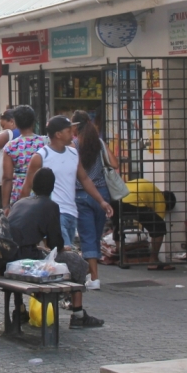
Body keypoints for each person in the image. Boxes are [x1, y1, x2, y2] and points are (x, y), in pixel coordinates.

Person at [9, 168, 104, 329]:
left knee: (55, 257)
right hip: (26, 256)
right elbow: (54, 243)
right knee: (76, 262)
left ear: (33, 185)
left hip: (9, 255)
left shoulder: (20, 202)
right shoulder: (50, 205)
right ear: (52, 187)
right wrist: (63, 248)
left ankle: (19, 309)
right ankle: (78, 315)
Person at [21, 115, 114, 250]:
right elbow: (27, 186)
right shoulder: (41, 157)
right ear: (58, 134)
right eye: (69, 131)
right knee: (65, 253)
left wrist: (101, 201)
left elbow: (85, 179)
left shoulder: (73, 153)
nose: (73, 133)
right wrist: (21, 212)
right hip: (55, 213)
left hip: (72, 212)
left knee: (62, 256)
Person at [72, 110, 117, 290]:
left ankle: (94, 277)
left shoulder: (74, 145)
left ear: (75, 127)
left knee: (87, 236)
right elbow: (114, 164)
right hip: (102, 194)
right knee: (96, 236)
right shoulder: (99, 143)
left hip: (81, 194)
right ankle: (93, 275)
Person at [111, 179, 175, 270]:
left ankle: (123, 260)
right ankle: (153, 261)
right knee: (159, 226)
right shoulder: (161, 199)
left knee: (117, 228)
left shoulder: (149, 186)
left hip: (115, 199)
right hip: (132, 200)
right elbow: (157, 221)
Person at [1, 105, 46, 209]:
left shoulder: (10, 146)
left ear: (15, 123)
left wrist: (5, 206)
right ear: (34, 121)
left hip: (19, 194)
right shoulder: (45, 142)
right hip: (42, 192)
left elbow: (7, 178)